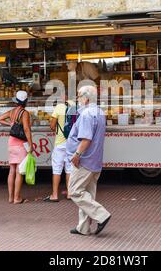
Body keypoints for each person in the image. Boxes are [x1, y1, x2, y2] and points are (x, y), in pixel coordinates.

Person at [67, 85, 111, 236]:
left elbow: (86, 139)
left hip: (84, 160)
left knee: (74, 191)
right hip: (95, 159)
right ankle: (83, 228)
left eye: (79, 96)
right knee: (88, 194)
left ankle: (102, 215)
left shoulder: (86, 114)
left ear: (85, 98)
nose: (78, 99)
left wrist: (77, 154)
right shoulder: (100, 112)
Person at [0, 91, 33, 204]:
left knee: (11, 170)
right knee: (19, 171)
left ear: (16, 100)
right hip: (20, 144)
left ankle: (10, 197)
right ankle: (17, 198)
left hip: (11, 143)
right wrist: (31, 144)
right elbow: (26, 129)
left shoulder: (12, 111)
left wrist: (10, 124)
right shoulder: (24, 113)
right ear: (26, 101)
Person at [45, 94, 75, 202]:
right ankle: (70, 194)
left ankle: (55, 195)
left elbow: (52, 126)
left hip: (60, 143)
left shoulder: (58, 107)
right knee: (69, 169)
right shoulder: (74, 106)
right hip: (71, 144)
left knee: (57, 170)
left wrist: (57, 127)